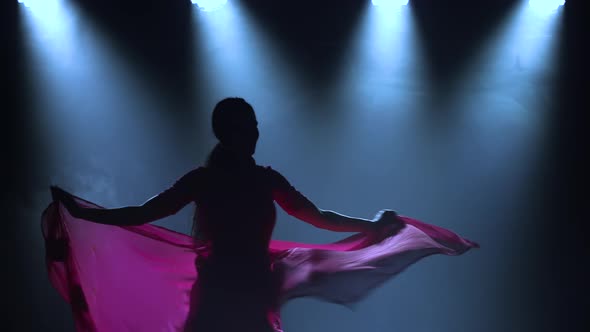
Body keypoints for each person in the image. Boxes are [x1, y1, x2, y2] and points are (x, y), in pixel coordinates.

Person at [46, 97, 478, 332]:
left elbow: (317, 216)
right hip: (221, 292)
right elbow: (143, 213)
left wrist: (372, 224)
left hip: (250, 290)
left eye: (255, 124)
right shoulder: (204, 179)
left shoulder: (265, 179)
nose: (256, 131)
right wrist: (83, 213)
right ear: (231, 132)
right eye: (249, 125)